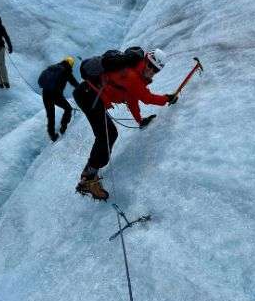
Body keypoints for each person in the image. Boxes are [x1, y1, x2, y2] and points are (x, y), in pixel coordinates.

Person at [73, 48, 177, 200]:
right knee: (106, 135)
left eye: (156, 70)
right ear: (146, 61)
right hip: (88, 95)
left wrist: (140, 120)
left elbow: (132, 99)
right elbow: (146, 98)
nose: (152, 71)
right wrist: (167, 99)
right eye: (151, 66)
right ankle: (88, 179)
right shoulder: (132, 76)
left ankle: (89, 175)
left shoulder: (134, 75)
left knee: (109, 134)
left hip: (89, 94)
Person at [38, 56, 80, 141]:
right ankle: (63, 128)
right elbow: (74, 83)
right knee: (68, 109)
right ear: (70, 65)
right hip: (56, 95)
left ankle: (52, 136)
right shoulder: (66, 71)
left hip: (45, 93)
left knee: (50, 115)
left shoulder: (53, 68)